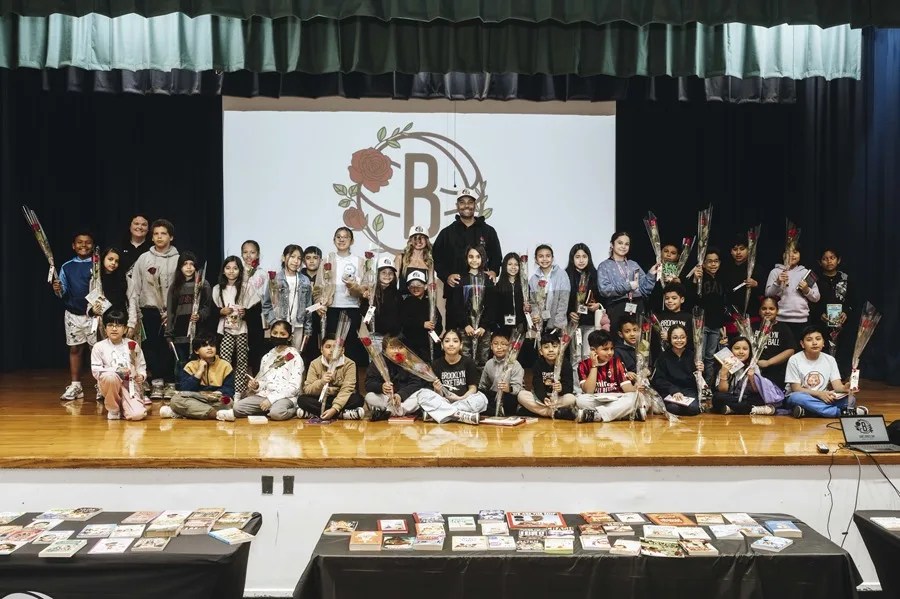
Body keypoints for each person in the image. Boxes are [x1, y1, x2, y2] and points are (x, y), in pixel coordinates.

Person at [128, 219, 180, 398]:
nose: (159, 237)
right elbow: (135, 286)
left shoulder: (179, 260)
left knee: (170, 347)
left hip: (172, 312)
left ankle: (171, 382)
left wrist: (172, 311)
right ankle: (156, 382)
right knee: (152, 347)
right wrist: (137, 312)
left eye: (163, 233)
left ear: (171, 237)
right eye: (156, 233)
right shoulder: (144, 258)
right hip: (149, 310)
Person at [433, 188, 503, 297]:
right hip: (455, 292)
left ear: (475, 205)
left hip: (483, 290)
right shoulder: (446, 233)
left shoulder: (488, 231)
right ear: (457, 206)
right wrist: (446, 276)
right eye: (462, 202)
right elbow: (437, 259)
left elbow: (496, 256)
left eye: (470, 202)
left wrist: (494, 271)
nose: (466, 206)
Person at [784, 327, 867, 418]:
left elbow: (837, 387)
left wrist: (845, 388)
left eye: (818, 339)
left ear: (823, 343)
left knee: (850, 400)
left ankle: (808, 411)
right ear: (802, 344)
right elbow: (796, 389)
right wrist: (820, 394)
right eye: (809, 340)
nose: (814, 343)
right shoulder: (794, 359)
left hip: (824, 397)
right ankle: (839, 413)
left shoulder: (830, 360)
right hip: (805, 396)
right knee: (796, 398)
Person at [229, 321, 304, 421]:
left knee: (277, 413)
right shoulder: (267, 357)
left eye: (282, 334)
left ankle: (293, 410)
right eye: (275, 333)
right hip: (265, 395)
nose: (278, 336)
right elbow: (264, 381)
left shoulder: (294, 356)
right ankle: (267, 410)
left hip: (285, 397)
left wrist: (271, 399)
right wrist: (257, 385)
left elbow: (294, 387)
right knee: (237, 408)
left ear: (289, 337)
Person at [54, 230, 97, 401]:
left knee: (97, 350)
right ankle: (76, 386)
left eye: (88, 242)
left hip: (95, 316)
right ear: (73, 245)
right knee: (75, 348)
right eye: (80, 242)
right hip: (73, 315)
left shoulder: (98, 264)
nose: (84, 245)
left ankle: (101, 385)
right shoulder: (66, 266)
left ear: (93, 245)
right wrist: (58, 289)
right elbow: (63, 292)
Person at [318, 228, 368, 366]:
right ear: (334, 240)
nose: (341, 239)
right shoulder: (327, 260)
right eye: (338, 237)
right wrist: (319, 303)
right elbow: (318, 287)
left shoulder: (359, 261)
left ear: (351, 241)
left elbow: (365, 287)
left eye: (345, 237)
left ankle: (352, 385)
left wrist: (354, 287)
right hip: (332, 309)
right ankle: (332, 382)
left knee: (351, 347)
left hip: (352, 309)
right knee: (333, 348)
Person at [413, 329, 487, 424]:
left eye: (455, 341)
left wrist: (460, 398)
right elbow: (437, 395)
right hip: (444, 401)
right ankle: (460, 416)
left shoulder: (469, 362)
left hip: (463, 401)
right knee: (422, 394)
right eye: (447, 341)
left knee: (482, 399)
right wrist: (437, 389)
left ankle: (441, 415)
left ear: (461, 345)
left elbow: (473, 388)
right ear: (442, 345)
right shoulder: (436, 364)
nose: (451, 344)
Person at [574, 330, 644, 423]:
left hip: (617, 397)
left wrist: (635, 387)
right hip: (596, 398)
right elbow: (589, 391)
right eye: (605, 349)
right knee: (580, 400)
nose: (610, 352)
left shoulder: (617, 362)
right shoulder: (583, 365)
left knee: (634, 397)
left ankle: (596, 415)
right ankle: (624, 415)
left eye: (612, 348)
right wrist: (594, 365)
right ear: (593, 350)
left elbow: (626, 388)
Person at [162, 333, 235, 421]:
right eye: (204, 345)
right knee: (176, 400)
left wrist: (217, 393)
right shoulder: (190, 366)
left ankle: (181, 413)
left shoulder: (225, 365)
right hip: (197, 398)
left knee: (228, 402)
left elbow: (229, 390)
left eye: (212, 345)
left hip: (217, 399)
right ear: (196, 351)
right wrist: (199, 372)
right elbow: (185, 389)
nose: (209, 348)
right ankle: (217, 414)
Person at [90, 310, 147, 421]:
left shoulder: (132, 345)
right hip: (110, 384)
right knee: (110, 377)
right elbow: (96, 371)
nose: (114, 329)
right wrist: (118, 370)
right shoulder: (99, 347)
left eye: (119, 325)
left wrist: (141, 376)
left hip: (129, 386)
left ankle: (125, 405)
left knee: (137, 415)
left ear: (125, 329)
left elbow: (141, 366)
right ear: (105, 329)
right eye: (110, 325)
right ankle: (114, 409)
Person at [446, 245, 496, 371]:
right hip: (465, 329)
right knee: (465, 360)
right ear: (466, 258)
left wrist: (484, 326)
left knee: (482, 361)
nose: (474, 260)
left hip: (483, 330)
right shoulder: (461, 280)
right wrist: (465, 324)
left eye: (478, 257)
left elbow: (492, 306)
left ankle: (481, 387)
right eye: (471, 257)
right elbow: (456, 306)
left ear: (483, 258)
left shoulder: (488, 280)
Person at [597, 231, 658, 331]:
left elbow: (644, 289)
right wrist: (628, 286)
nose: (623, 246)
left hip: (637, 305)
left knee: (638, 341)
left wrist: (651, 274)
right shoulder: (604, 266)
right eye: (620, 243)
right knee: (618, 340)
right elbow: (604, 290)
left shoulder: (633, 264)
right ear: (612, 244)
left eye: (627, 244)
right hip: (617, 307)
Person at [295, 334, 366, 420]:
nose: (332, 350)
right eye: (328, 347)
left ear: (342, 350)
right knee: (302, 399)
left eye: (336, 347)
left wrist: (334, 408)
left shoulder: (350, 364)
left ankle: (315, 413)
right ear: (321, 349)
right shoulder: (314, 363)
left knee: (358, 399)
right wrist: (321, 382)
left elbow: (347, 389)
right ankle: (342, 414)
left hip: (340, 398)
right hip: (320, 398)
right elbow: (307, 389)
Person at [565, 243, 605, 388]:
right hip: (573, 324)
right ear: (572, 259)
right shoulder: (566, 275)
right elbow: (564, 299)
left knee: (588, 357)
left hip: (589, 323)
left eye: (584, 256)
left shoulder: (595, 275)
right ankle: (577, 389)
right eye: (577, 257)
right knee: (575, 357)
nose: (581, 260)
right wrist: (569, 313)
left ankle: (589, 388)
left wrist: (597, 305)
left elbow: (602, 297)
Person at [165, 251, 211, 375]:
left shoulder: (203, 284)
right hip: (179, 333)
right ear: (180, 266)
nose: (189, 267)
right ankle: (181, 388)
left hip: (197, 333)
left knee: (197, 363)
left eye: (192, 264)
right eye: (185, 264)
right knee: (181, 363)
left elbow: (208, 307)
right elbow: (171, 312)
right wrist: (169, 334)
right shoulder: (175, 287)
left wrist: (200, 315)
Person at [712, 336, 784, 415]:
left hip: (747, 397)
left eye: (745, 349)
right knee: (717, 397)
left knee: (758, 398)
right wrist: (724, 373)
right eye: (737, 348)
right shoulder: (725, 364)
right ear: (731, 350)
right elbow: (723, 391)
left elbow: (756, 390)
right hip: (731, 396)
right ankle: (753, 409)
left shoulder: (753, 365)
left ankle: (734, 409)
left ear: (749, 351)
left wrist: (752, 379)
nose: (741, 352)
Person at [765, 246, 821, 346]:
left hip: (802, 320)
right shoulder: (775, 272)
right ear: (783, 255)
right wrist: (777, 282)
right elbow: (768, 294)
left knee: (801, 350)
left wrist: (806, 290)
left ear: (800, 254)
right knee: (782, 350)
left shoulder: (805, 272)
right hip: (780, 320)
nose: (791, 255)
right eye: (787, 252)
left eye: (795, 252)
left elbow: (816, 298)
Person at [516, 331, 577, 419]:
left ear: (560, 349)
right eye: (546, 347)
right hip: (543, 400)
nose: (551, 350)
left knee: (571, 399)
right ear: (541, 351)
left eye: (555, 346)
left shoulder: (565, 364)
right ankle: (554, 413)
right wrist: (543, 398)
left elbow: (569, 387)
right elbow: (537, 385)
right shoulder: (538, 364)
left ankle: (540, 412)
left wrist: (561, 388)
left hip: (559, 398)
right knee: (521, 395)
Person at [212, 256, 250, 399]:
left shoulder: (246, 288)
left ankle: (239, 390)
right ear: (223, 270)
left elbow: (254, 310)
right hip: (225, 329)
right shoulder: (217, 289)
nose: (231, 271)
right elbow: (211, 311)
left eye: (235, 268)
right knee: (225, 360)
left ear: (240, 270)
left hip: (242, 330)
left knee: (242, 360)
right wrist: (221, 311)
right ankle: (226, 389)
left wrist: (245, 312)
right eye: (228, 268)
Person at [262, 244, 312, 349]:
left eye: (299, 258)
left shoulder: (305, 280)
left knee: (295, 357)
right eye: (292, 256)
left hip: (298, 325)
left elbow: (308, 307)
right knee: (279, 357)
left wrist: (307, 330)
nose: (295, 261)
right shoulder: (275, 279)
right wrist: (274, 322)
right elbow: (266, 304)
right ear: (283, 258)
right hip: (280, 327)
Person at [365, 335, 427, 420]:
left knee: (423, 393)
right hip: (387, 399)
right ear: (385, 350)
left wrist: (400, 395)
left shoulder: (411, 361)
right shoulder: (378, 361)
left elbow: (416, 384)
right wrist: (381, 387)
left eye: (400, 347)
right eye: (392, 348)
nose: (397, 351)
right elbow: (368, 384)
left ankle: (390, 412)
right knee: (370, 396)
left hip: (406, 399)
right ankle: (398, 411)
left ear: (406, 349)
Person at [689, 247, 728, 383]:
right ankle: (697, 383)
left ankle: (708, 385)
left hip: (716, 325)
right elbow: (691, 299)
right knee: (699, 356)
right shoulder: (699, 278)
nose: (713, 264)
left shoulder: (722, 279)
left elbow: (723, 304)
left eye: (716, 261)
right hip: (702, 324)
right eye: (709, 261)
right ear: (703, 264)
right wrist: (695, 279)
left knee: (711, 356)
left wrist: (723, 324)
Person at [651, 324, 703, 416]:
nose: (679, 340)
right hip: (670, 391)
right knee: (673, 408)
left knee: (694, 409)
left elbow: (698, 380)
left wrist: (701, 370)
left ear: (687, 338)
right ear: (669, 339)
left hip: (688, 390)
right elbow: (659, 380)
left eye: (682, 337)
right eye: (675, 337)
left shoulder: (693, 355)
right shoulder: (663, 357)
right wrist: (674, 390)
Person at [812, 247, 852, 358]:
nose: (829, 261)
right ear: (820, 262)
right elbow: (810, 301)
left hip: (842, 323)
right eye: (825, 259)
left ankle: (841, 373)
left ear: (838, 260)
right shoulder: (815, 279)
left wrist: (846, 312)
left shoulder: (845, 278)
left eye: (832, 258)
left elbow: (852, 300)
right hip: (821, 323)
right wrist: (820, 314)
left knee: (842, 350)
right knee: (823, 350)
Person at [722, 233, 761, 337]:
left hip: (753, 316)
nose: (738, 252)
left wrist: (756, 284)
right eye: (735, 249)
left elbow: (767, 291)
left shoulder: (756, 269)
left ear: (748, 250)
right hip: (732, 317)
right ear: (731, 251)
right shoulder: (725, 269)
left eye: (742, 249)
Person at [400, 271, 443, 362]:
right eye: (412, 286)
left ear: (425, 286)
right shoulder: (405, 303)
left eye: (419, 285)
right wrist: (421, 324)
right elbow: (403, 321)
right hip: (412, 346)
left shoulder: (431, 303)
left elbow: (439, 322)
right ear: (408, 288)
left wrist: (435, 333)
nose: (416, 288)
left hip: (430, 345)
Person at [479, 330, 525, 416]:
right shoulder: (489, 363)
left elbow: (518, 388)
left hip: (509, 396)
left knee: (511, 400)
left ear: (509, 346)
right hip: (493, 396)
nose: (499, 347)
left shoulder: (515, 364)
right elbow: (483, 385)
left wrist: (508, 388)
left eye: (504, 344)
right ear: (491, 346)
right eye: (495, 344)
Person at [528, 245, 570, 334]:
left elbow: (563, 301)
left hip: (557, 325)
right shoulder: (533, 279)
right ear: (536, 259)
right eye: (541, 256)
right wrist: (535, 316)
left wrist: (558, 324)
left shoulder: (562, 275)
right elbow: (533, 302)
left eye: (548, 256)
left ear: (552, 258)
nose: (544, 259)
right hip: (540, 326)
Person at [755, 297, 795, 390]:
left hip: (776, 372)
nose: (767, 311)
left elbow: (790, 350)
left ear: (777, 311)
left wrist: (768, 362)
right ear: (759, 311)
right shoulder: (752, 327)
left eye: (771, 309)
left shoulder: (783, 328)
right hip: (755, 370)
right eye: (764, 308)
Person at [241, 240, 268, 375]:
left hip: (255, 314)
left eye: (252, 252)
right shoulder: (237, 271)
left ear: (257, 255)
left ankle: (256, 379)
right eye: (245, 252)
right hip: (238, 314)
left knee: (255, 348)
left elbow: (266, 296)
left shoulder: (262, 274)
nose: (248, 255)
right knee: (241, 350)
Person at [367, 257, 403, 352]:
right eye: (383, 272)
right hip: (376, 337)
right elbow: (365, 314)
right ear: (377, 274)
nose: (387, 275)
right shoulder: (370, 292)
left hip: (394, 338)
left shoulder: (397, 294)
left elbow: (400, 315)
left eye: (390, 273)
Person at [652, 282, 692, 361]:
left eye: (674, 298)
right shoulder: (659, 317)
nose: (670, 301)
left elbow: (691, 341)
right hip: (662, 358)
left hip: (681, 359)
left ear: (682, 299)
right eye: (667, 298)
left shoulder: (688, 318)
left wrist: (670, 337)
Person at [301, 245, 324, 365]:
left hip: (320, 317)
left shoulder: (326, 277)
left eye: (315, 257)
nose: (311, 260)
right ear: (303, 260)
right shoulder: (299, 276)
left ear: (321, 260)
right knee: (304, 351)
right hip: (303, 319)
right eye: (308, 257)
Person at [394, 224, 434, 292]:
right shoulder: (400, 258)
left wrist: (432, 302)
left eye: (422, 237)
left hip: (422, 300)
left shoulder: (429, 261)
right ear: (410, 241)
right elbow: (393, 282)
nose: (418, 241)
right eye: (415, 237)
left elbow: (430, 286)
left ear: (426, 240)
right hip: (403, 300)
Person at [97, 247, 128, 316]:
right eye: (110, 259)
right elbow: (91, 303)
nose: (113, 263)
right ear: (103, 259)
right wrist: (93, 310)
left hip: (121, 318)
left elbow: (131, 301)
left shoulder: (124, 278)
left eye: (116, 261)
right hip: (102, 318)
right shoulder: (96, 279)